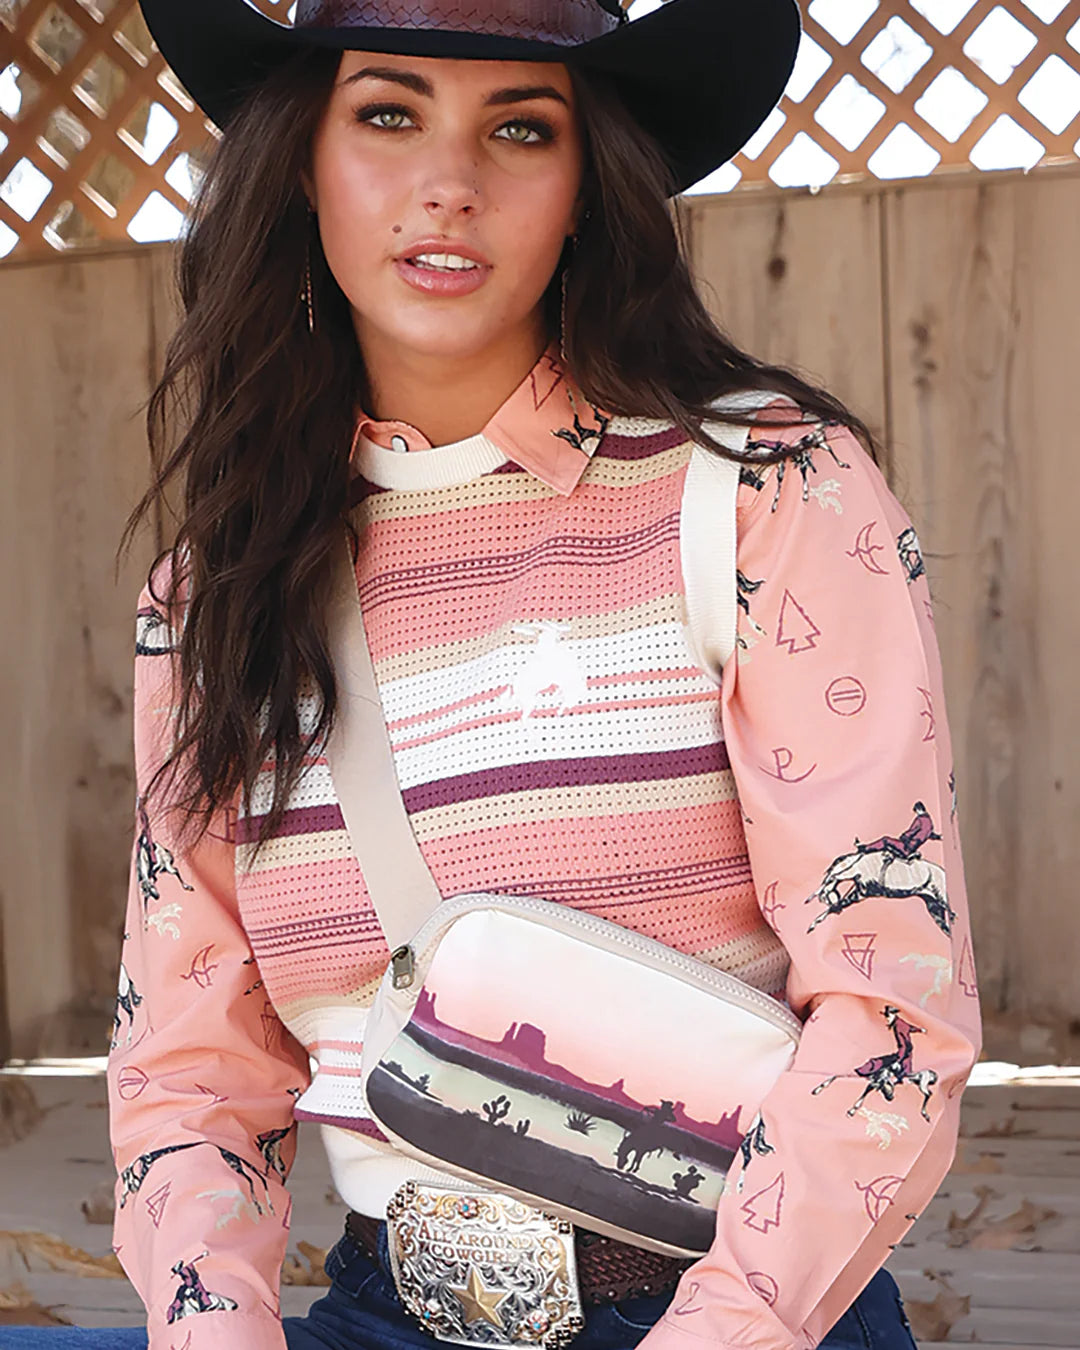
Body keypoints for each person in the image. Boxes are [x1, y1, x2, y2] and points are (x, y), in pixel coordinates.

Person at [6, 0, 982, 1346]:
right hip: (383, 1311)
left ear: (592, 184)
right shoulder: (209, 598)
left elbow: (891, 1006)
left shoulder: (764, 491)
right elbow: (190, 1072)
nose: (447, 187)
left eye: (522, 127)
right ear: (304, 158)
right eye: (388, 114)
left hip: (746, 1309)